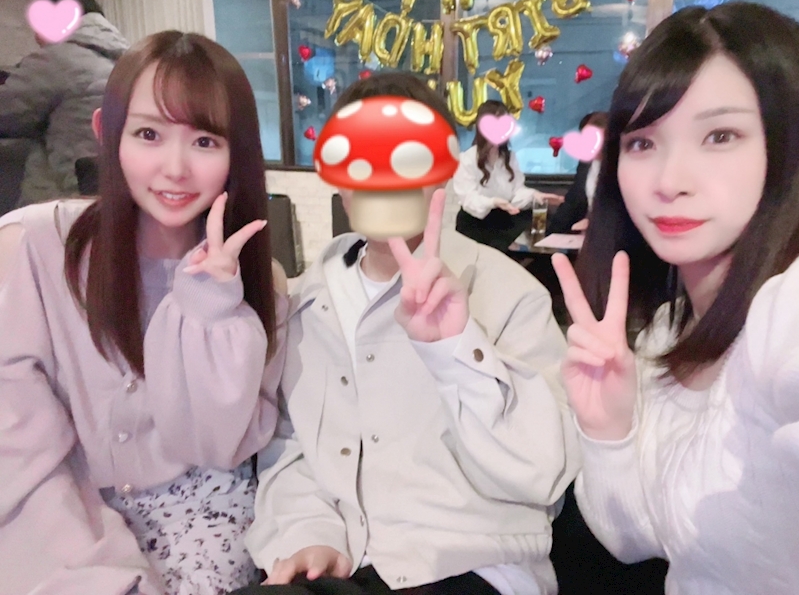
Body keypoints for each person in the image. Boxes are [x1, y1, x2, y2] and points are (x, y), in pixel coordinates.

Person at [241, 73, 580, 595]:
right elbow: (289, 446)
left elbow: (546, 472)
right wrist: (309, 534)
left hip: (473, 563)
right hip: (339, 563)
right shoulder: (306, 301)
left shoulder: (509, 294)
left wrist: (457, 346)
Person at [552, 2, 799, 594]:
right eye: (642, 143)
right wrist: (608, 427)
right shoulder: (666, 331)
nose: (669, 181)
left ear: (787, 147)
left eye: (720, 136)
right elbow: (636, 538)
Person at [0, 31, 288, 595]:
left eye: (204, 140)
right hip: (57, 500)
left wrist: (212, 315)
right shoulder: (30, 247)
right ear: (107, 134)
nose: (175, 168)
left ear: (236, 154)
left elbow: (217, 449)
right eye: (149, 134)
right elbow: (17, 449)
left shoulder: (259, 285)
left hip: (199, 504)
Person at [0, 0, 128, 206]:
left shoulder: (56, 59)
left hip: (64, 198)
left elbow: (6, 112)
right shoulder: (127, 58)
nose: (36, 37)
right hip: (118, 192)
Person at [453, 100, 563, 250]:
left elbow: (516, 191)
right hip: (475, 225)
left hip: (503, 220)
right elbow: (469, 199)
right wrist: (494, 202)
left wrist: (535, 195)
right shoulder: (466, 159)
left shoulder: (510, 157)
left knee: (535, 222)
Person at [547, 111, 608, 235]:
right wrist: (550, 235)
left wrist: (593, 222)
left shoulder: (623, 167)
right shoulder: (585, 163)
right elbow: (573, 200)